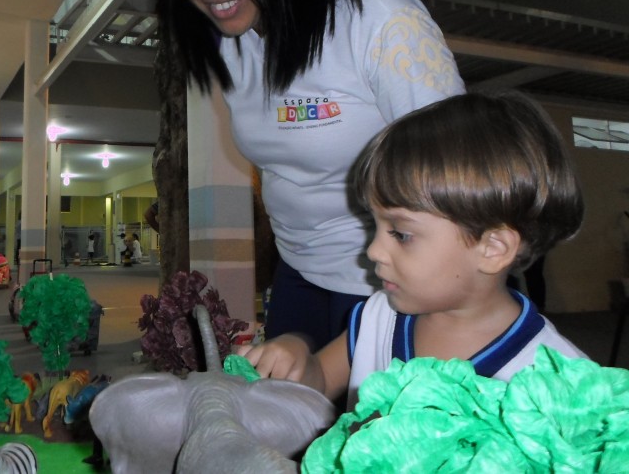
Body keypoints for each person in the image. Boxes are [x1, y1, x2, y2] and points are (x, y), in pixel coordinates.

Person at [149, 0, 465, 350]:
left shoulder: (374, 13)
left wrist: (348, 348)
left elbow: (461, 176)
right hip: (297, 274)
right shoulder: (229, 39)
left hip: (398, 284)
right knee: (288, 401)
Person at [237, 92, 587, 410]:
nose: (374, 251)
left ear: (493, 248)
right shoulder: (380, 316)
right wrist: (298, 360)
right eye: (374, 225)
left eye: (401, 234)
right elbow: (322, 379)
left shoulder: (558, 383)